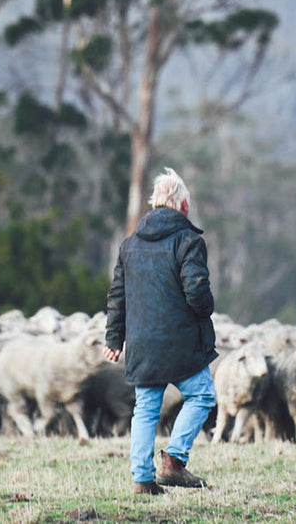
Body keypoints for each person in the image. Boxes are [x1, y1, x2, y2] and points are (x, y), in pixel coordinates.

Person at [103, 167, 218, 495]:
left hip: (141, 344)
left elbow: (117, 295)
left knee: (146, 409)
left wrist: (114, 338)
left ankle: (142, 479)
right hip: (179, 343)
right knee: (202, 394)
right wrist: (205, 308)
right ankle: (174, 461)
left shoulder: (129, 244)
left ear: (155, 204)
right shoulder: (188, 241)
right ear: (182, 206)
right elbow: (197, 292)